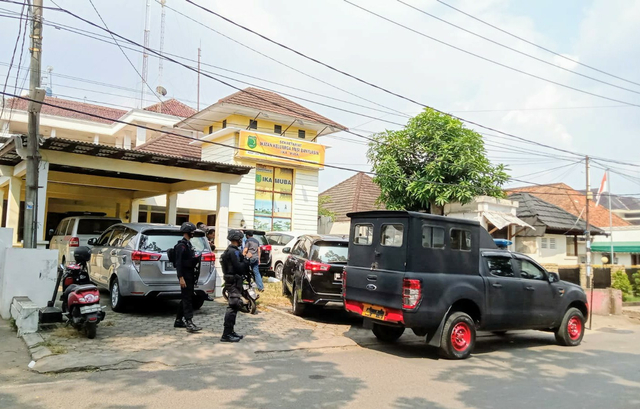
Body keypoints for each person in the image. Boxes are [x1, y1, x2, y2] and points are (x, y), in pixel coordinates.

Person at [220, 229, 249, 342]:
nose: (242, 241)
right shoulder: (234, 252)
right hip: (233, 281)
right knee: (233, 305)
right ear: (237, 239)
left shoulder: (229, 251)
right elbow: (240, 267)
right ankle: (226, 334)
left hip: (231, 280)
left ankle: (230, 331)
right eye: (241, 239)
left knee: (235, 306)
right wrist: (246, 259)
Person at [174, 222, 202, 333]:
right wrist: (181, 277)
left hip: (190, 275)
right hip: (185, 276)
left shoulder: (188, 244)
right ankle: (189, 322)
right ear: (188, 232)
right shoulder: (181, 246)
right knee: (187, 299)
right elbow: (179, 263)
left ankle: (178, 320)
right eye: (192, 231)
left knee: (187, 297)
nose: (193, 233)